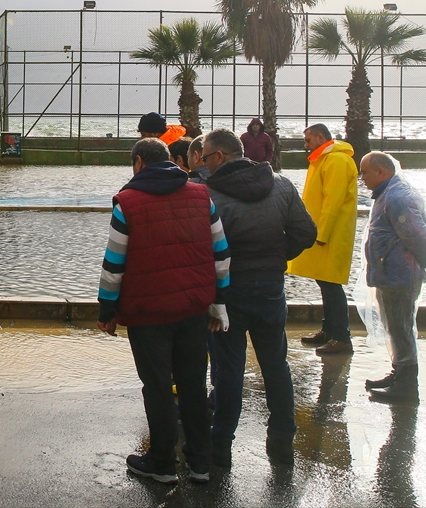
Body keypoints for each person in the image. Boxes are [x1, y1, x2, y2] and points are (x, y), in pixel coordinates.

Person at [97, 138, 230, 484]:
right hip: (192, 309)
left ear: (139, 163)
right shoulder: (202, 197)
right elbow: (221, 253)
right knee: (192, 384)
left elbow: (114, 264)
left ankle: (162, 463)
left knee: (156, 385)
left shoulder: (127, 203)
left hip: (147, 313)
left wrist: (107, 309)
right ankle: (200, 463)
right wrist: (218, 302)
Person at [202, 128, 316, 467]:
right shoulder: (281, 185)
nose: (204, 164)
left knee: (229, 369)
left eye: (205, 157)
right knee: (276, 364)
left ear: (219, 156)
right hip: (270, 288)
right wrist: (277, 256)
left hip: (228, 291)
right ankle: (282, 437)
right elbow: (306, 232)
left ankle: (221, 443)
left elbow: (202, 247)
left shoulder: (206, 194)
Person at [360, 151, 426, 405]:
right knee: (396, 328)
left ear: (381, 172)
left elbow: (416, 236)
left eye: (364, 173)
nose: (362, 179)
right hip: (390, 273)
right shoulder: (389, 193)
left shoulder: (397, 197)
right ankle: (399, 373)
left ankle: (407, 386)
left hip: (399, 275)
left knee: (401, 328)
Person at [287, 123, 358, 356]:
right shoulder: (325, 159)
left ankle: (342, 338)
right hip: (323, 232)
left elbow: (333, 200)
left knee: (331, 285)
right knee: (325, 283)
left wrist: (321, 234)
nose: (305, 145)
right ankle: (329, 331)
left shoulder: (336, 160)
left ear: (320, 137)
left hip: (330, 235)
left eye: (308, 140)